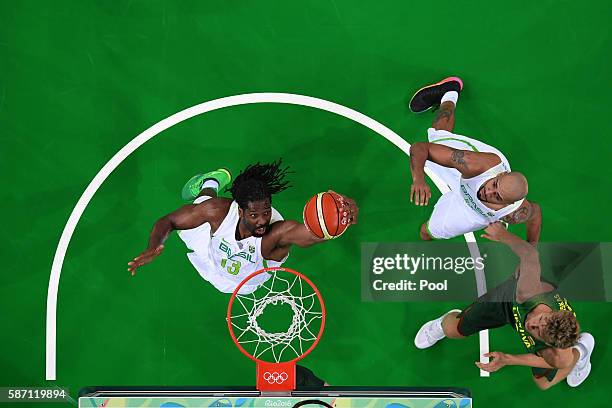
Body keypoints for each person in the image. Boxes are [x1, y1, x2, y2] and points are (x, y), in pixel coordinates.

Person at [127, 160, 358, 293]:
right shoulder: (220, 211)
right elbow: (168, 221)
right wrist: (153, 247)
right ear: (240, 210)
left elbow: (309, 234)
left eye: (266, 211)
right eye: (255, 214)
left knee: (202, 209)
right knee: (202, 205)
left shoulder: (275, 234)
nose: (262, 220)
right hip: (210, 248)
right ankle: (211, 181)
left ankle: (210, 184)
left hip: (247, 282)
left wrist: (338, 220)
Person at [414, 223, 595, 390]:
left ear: (549, 343)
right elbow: (530, 254)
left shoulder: (558, 354)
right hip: (508, 300)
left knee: (543, 383)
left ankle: (581, 350)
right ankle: (440, 324)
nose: (533, 324)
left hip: (551, 340)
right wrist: (502, 233)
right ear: (552, 313)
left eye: (539, 332)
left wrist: (507, 359)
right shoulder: (529, 292)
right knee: (453, 330)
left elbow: (552, 362)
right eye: (541, 320)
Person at [408, 77, 541, 243]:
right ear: (500, 175)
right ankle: (449, 92)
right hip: (472, 174)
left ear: (509, 204)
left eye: (497, 197)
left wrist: (530, 251)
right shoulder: (474, 164)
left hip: (474, 212)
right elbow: (420, 148)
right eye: (494, 185)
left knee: (426, 233)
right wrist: (419, 178)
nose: (488, 192)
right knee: (437, 139)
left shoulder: (513, 213)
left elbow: (535, 214)